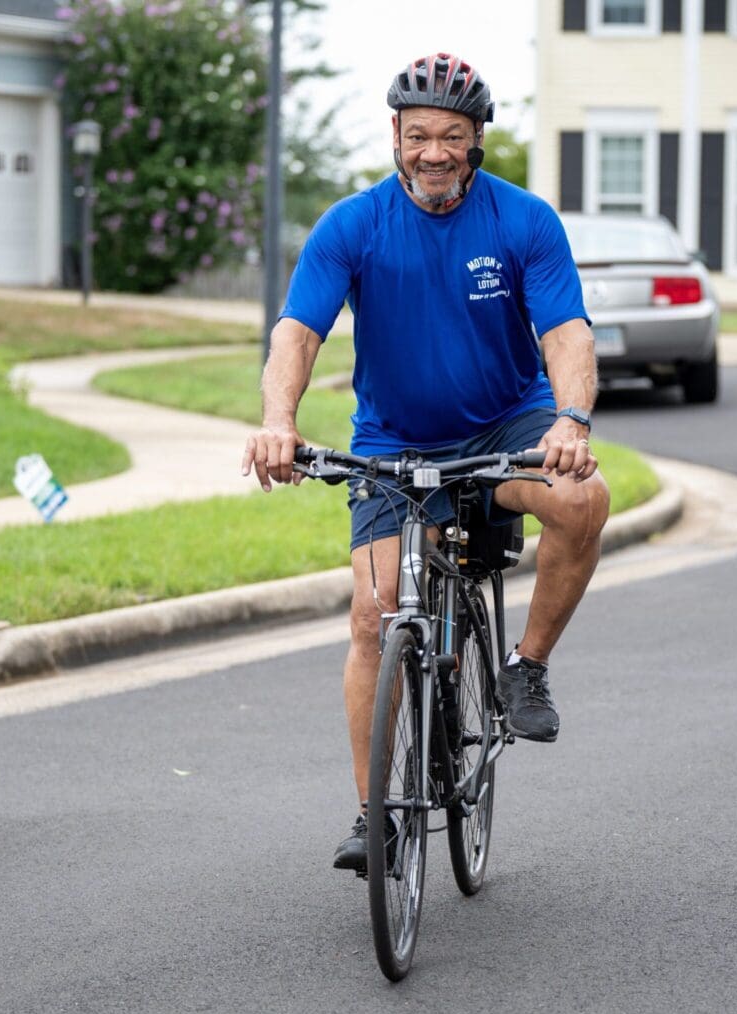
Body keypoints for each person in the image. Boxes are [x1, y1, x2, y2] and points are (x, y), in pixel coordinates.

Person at [239, 53, 609, 872]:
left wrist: (572, 420)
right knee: (373, 619)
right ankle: (376, 816)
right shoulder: (352, 225)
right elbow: (298, 333)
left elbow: (566, 333)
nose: (432, 152)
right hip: (391, 442)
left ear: (476, 139)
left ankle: (526, 669)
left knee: (583, 503)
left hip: (503, 428)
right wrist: (277, 422)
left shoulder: (523, 221)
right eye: (417, 136)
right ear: (396, 138)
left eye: (450, 135)